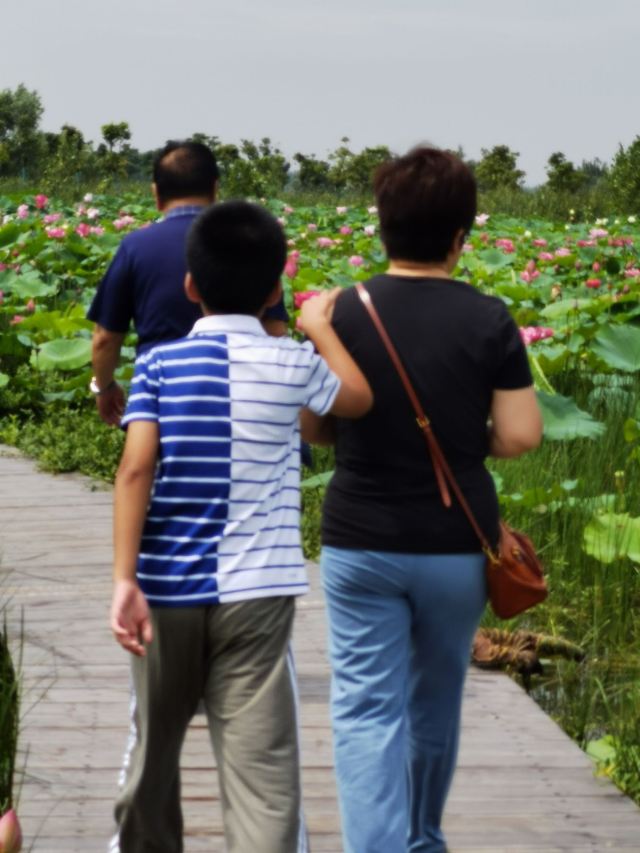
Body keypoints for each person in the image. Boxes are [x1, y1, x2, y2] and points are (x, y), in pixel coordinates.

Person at [108, 200, 372, 853]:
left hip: (166, 587)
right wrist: (319, 328)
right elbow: (357, 399)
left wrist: (123, 580)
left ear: (189, 285)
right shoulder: (291, 362)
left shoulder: (158, 366)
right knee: (263, 774)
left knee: (152, 755)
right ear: (275, 289)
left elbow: (135, 470)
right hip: (258, 589)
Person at [303, 147, 543, 853]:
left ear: (382, 227)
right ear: (460, 236)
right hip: (454, 545)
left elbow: (315, 428)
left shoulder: (339, 313)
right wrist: (468, 438)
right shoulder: (489, 317)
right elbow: (521, 435)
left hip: (360, 539)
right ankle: (421, 839)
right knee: (434, 702)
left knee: (365, 707)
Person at [88, 140, 289, 426]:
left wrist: (105, 387)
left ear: (156, 194)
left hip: (162, 403)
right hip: (242, 403)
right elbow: (275, 331)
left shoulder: (135, 247)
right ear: (215, 189)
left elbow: (105, 338)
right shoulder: (246, 243)